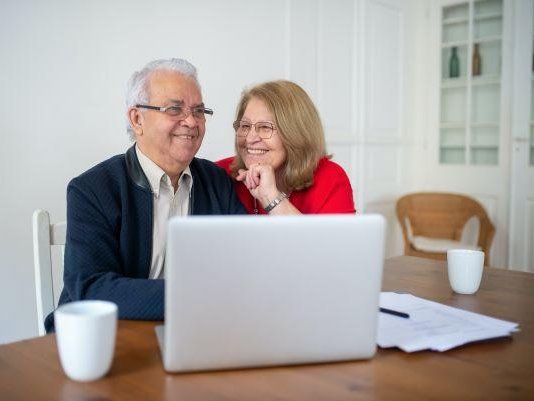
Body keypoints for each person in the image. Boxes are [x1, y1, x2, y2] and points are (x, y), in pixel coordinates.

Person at [45, 58, 246, 332]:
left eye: (199, 111)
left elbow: (247, 266)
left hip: (193, 331)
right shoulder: (92, 189)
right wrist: (193, 297)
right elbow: (91, 286)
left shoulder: (216, 182)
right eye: (174, 109)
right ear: (137, 119)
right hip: (105, 336)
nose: (191, 121)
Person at [216, 80, 356, 215]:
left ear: (296, 134)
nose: (250, 138)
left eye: (265, 127)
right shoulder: (218, 176)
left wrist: (271, 197)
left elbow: (333, 240)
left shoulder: (330, 179)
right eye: (245, 126)